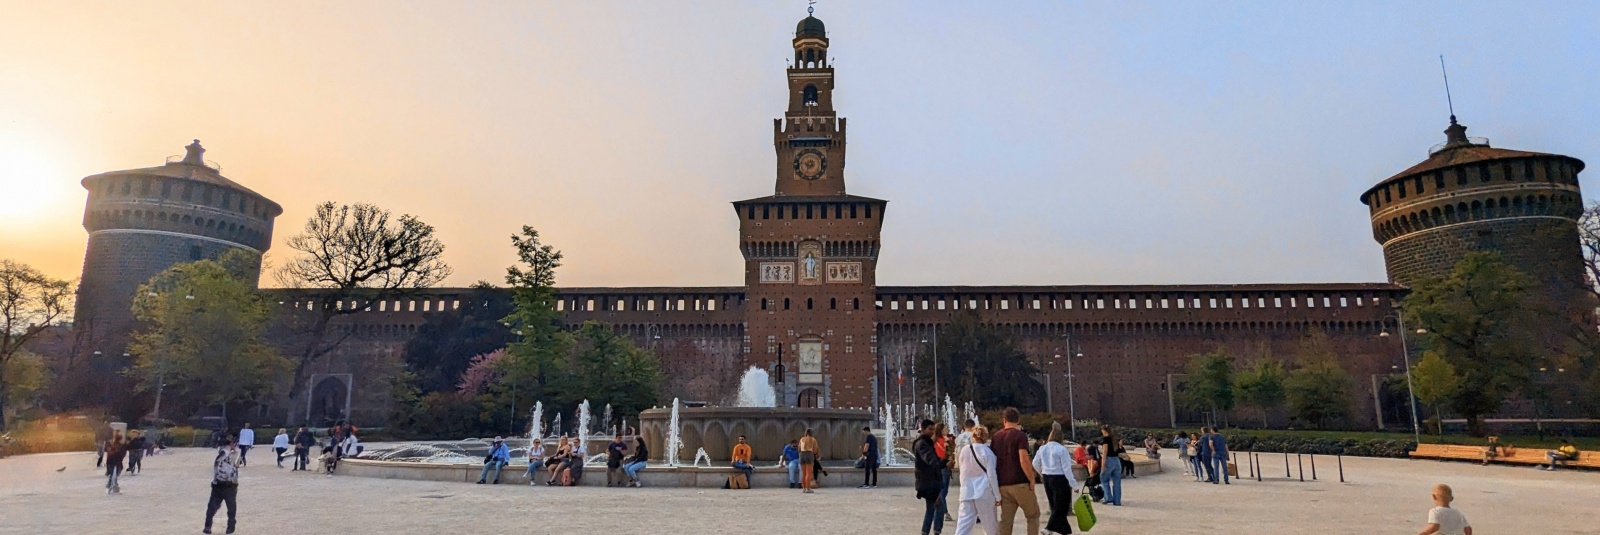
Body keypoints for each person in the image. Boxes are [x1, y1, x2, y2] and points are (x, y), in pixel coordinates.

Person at [994, 407, 1041, 534]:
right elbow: (1023, 459)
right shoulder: (1020, 435)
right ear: (1018, 420)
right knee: (1033, 515)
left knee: (1006, 520)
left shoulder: (996, 437)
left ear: (1004, 420)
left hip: (1003, 485)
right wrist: (1031, 478)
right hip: (1020, 483)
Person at [1032, 422, 1079, 534]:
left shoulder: (1042, 448)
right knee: (1061, 506)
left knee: (1054, 504)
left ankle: (1064, 529)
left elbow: (1035, 463)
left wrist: (1042, 473)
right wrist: (1074, 485)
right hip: (1060, 478)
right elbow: (1066, 469)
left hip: (1047, 477)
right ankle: (1048, 528)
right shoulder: (1062, 449)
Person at [955, 425, 1001, 535]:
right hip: (984, 491)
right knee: (990, 526)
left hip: (967, 491)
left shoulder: (964, 450)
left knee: (963, 525)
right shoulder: (988, 452)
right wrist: (997, 495)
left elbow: (962, 470)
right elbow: (992, 476)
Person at [203, 436, 242, 534]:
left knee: (212, 507)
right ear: (232, 444)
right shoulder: (228, 454)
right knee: (231, 507)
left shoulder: (222, 454)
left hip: (218, 484)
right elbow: (234, 467)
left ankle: (208, 526)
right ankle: (230, 527)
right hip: (229, 485)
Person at [913, 419, 945, 535]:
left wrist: (944, 462)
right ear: (923, 429)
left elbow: (934, 460)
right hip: (928, 482)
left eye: (933, 429)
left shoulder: (927, 442)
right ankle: (932, 531)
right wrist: (943, 462)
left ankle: (929, 531)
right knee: (936, 507)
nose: (932, 432)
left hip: (930, 481)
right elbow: (931, 460)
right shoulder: (922, 443)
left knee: (932, 508)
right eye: (930, 429)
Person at [1098, 425, 1124, 507]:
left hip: (1109, 460)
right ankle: (1117, 501)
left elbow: (1105, 452)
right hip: (1116, 461)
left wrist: (1103, 464)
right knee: (1117, 483)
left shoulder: (1105, 439)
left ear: (1103, 431)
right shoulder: (1114, 440)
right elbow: (1118, 451)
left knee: (1104, 479)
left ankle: (1108, 497)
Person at [934, 422, 953, 522]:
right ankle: (944, 512)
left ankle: (939, 511)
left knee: (941, 491)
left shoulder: (933, 441)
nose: (946, 430)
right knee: (943, 491)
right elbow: (947, 454)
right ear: (941, 430)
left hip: (936, 467)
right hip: (944, 467)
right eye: (945, 429)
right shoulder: (945, 441)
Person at [104, 430, 127, 494]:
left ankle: (112, 486)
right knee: (113, 474)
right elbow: (108, 451)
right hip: (113, 460)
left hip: (115, 460)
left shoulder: (119, 444)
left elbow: (122, 453)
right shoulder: (111, 443)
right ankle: (111, 486)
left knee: (114, 474)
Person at [799, 428, 819, 493]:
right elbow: (815, 450)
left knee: (803, 473)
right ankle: (808, 488)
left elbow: (799, 449)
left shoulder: (801, 439)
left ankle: (804, 488)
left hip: (802, 454)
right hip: (809, 454)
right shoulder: (813, 439)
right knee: (808, 473)